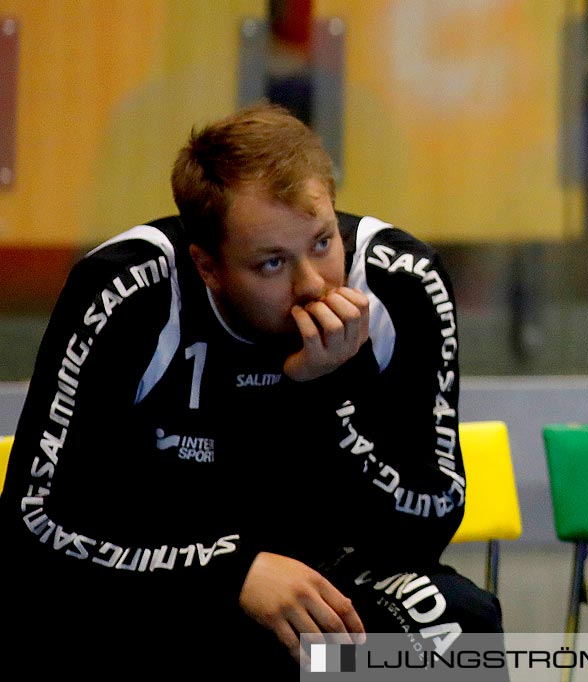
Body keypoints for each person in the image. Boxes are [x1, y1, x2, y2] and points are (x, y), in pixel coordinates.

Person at [0, 103, 498, 673]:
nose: (313, 286)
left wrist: (331, 388)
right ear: (208, 267)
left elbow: (430, 517)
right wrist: (228, 572)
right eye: (270, 265)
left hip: (325, 574)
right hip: (167, 574)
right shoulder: (128, 294)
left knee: (458, 627)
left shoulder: (402, 284)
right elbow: (34, 527)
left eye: (321, 242)